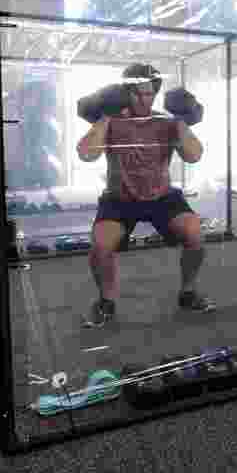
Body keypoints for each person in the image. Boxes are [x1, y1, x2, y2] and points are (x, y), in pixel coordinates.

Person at [77, 63, 212, 328]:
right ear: (125, 93)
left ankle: (187, 292)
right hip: (119, 199)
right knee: (101, 245)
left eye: (148, 93)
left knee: (195, 233)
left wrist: (182, 120)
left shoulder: (167, 122)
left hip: (162, 197)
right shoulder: (113, 121)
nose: (143, 99)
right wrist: (105, 115)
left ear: (156, 94)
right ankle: (106, 301)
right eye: (136, 93)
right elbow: (86, 153)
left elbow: (194, 155)